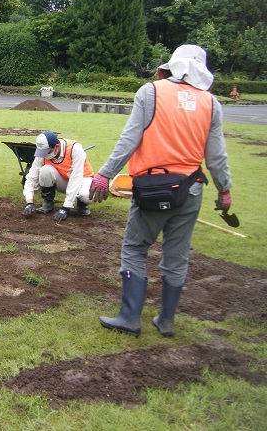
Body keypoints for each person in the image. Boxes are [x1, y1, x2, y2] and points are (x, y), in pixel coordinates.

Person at [89, 44, 233, 337]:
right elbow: (216, 157)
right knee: (177, 255)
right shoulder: (211, 103)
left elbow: (129, 139)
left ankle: (129, 317)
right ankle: (166, 321)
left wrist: (104, 175)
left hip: (154, 189)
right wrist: (225, 190)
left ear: (172, 66)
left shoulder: (150, 92)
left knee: (135, 247)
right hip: (190, 190)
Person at [21, 131, 94, 221]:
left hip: (83, 179)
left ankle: (81, 204)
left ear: (57, 147)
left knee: (86, 196)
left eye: (47, 151)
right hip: (63, 181)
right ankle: (47, 203)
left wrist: (66, 207)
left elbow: (76, 178)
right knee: (45, 170)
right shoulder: (42, 153)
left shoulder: (75, 149)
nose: (45, 155)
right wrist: (29, 202)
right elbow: (32, 177)